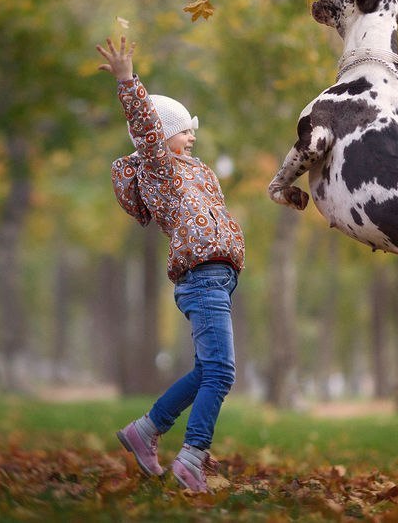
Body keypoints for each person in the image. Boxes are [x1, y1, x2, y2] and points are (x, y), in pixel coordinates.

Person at [96, 36, 245, 493]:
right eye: (183, 128)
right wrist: (127, 81)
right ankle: (193, 456)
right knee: (222, 372)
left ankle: (145, 431)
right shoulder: (159, 170)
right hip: (201, 279)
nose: (192, 134)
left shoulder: (197, 170)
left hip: (217, 277)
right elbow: (143, 125)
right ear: (160, 137)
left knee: (207, 369)